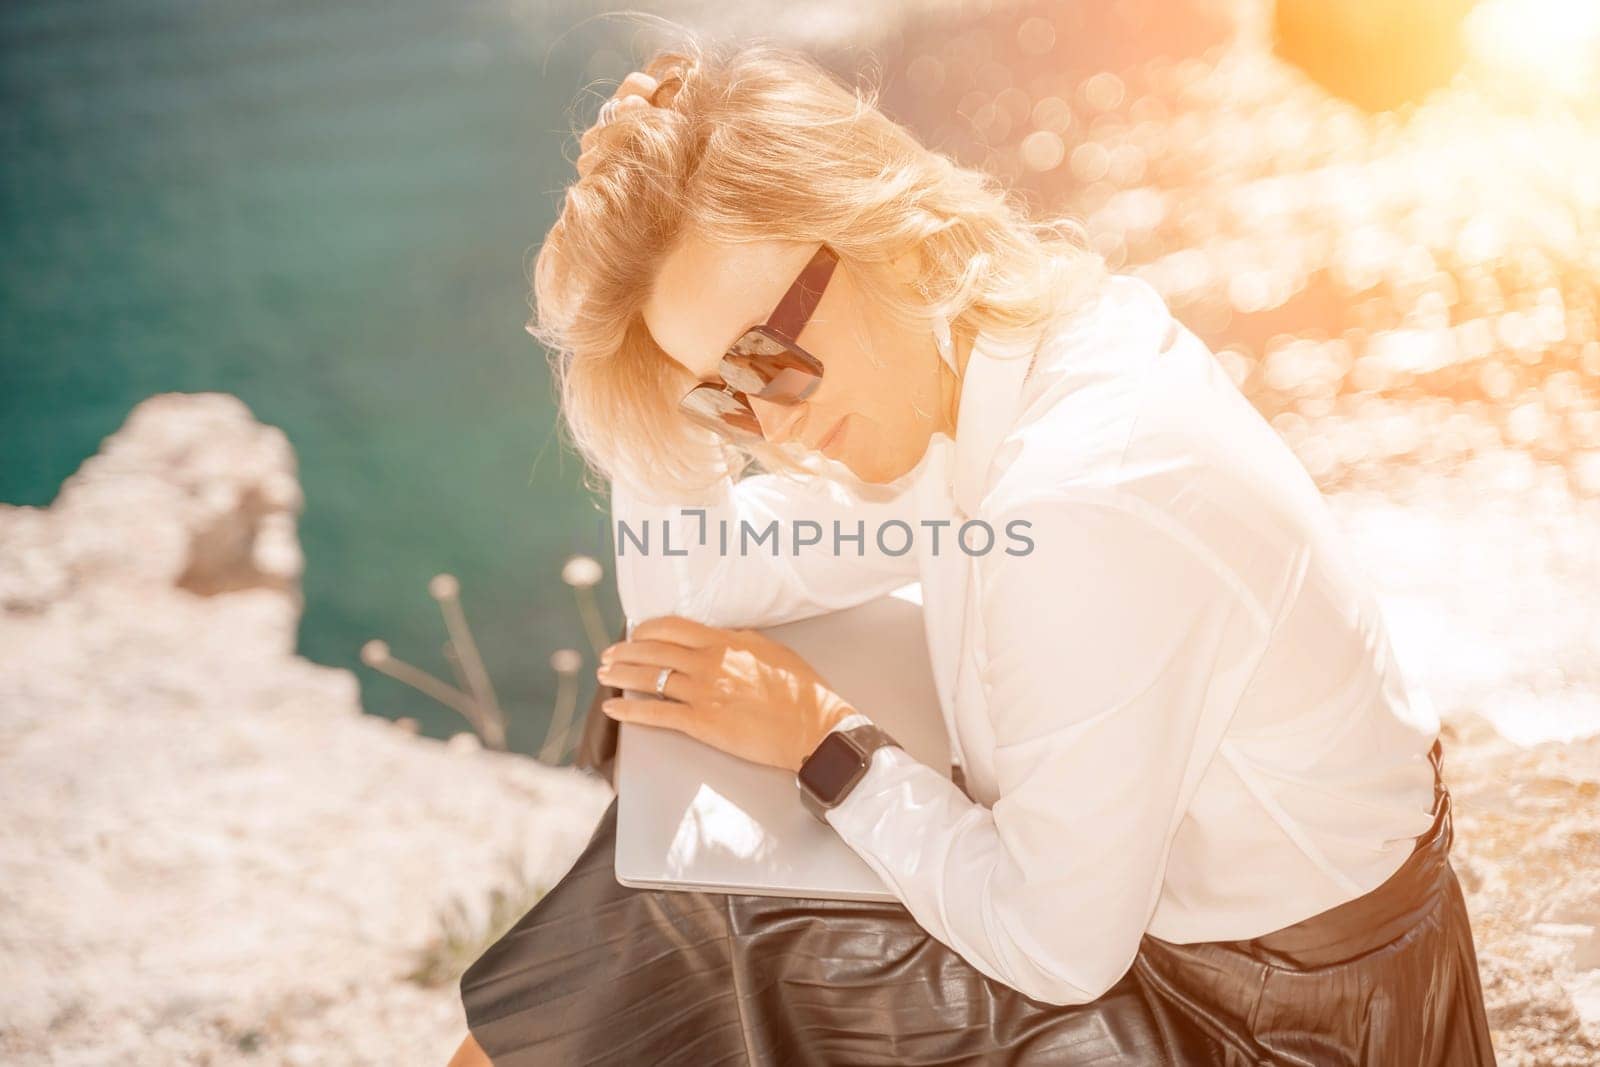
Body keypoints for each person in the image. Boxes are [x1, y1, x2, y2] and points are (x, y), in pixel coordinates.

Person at [450, 37, 1495, 1067]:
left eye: (764, 359)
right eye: (719, 394)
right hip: (1236, 967)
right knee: (681, 886)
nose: (765, 427)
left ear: (878, 233)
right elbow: (696, 588)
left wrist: (823, 739)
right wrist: (640, 330)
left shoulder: (1078, 500)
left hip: (1286, 1023)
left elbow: (1053, 948)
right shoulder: (981, 376)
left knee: (698, 924)